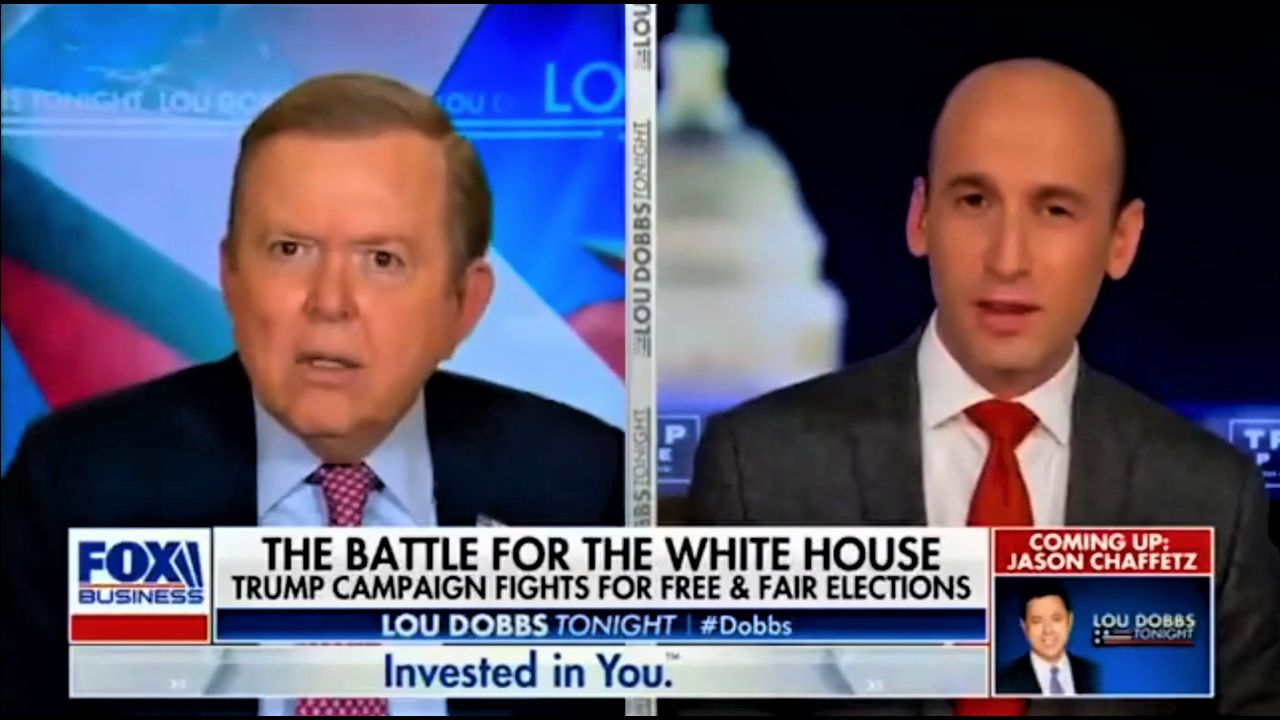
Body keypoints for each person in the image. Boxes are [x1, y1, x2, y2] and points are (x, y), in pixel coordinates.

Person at [0, 73, 624, 716]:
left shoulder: (583, 492)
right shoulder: (79, 488)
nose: (329, 302)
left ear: (465, 304)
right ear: (232, 276)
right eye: (289, 249)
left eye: (382, 260)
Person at [683, 58, 1280, 715]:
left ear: (1121, 240)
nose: (1007, 259)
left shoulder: (1207, 498)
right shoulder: (761, 471)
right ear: (920, 218)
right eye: (974, 202)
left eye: (1055, 210)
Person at [996, 581, 1099, 696]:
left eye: (1056, 619)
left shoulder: (1093, 673)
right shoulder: (1002, 682)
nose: (1048, 630)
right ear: (1024, 626)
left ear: (1070, 621)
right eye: (1037, 621)